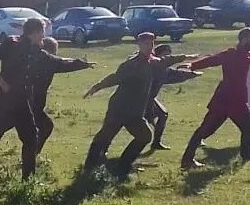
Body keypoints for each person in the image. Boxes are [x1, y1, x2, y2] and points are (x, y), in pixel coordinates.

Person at [0, 19, 94, 191]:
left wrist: (81, 64)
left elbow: (58, 62)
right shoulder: (12, 43)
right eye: (42, 32)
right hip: (5, 102)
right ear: (35, 32)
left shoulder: (38, 52)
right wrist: (1, 80)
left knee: (31, 139)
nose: (44, 35)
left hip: (23, 103)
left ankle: (28, 184)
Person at [82, 33, 199, 175]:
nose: (149, 47)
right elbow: (114, 78)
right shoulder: (131, 64)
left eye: (151, 44)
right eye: (146, 44)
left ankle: (124, 164)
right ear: (139, 45)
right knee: (104, 136)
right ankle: (89, 166)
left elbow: (166, 60)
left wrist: (186, 57)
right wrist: (97, 87)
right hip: (119, 108)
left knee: (145, 136)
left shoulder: (153, 62)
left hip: (135, 112)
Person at [180, 29, 250, 169]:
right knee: (205, 130)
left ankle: (246, 153)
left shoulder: (248, 53)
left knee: (249, 122)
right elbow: (213, 60)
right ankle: (187, 160)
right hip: (225, 99)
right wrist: (193, 65)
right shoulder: (231, 53)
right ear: (244, 40)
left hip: (237, 100)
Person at [145, 44, 203, 151]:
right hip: (142, 98)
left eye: (169, 54)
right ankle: (154, 141)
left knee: (162, 115)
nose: (168, 56)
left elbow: (176, 74)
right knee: (156, 117)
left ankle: (156, 142)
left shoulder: (164, 69)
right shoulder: (155, 66)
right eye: (166, 54)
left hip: (149, 98)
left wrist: (193, 74)